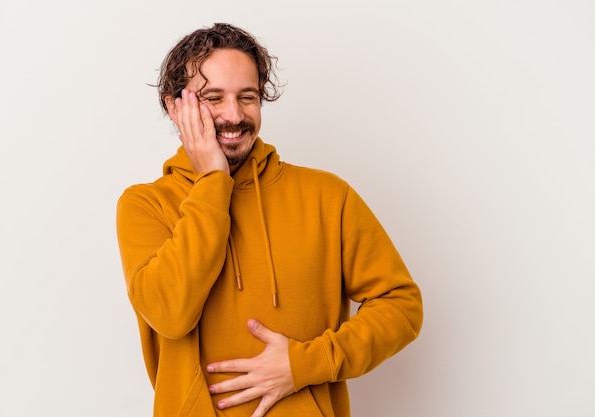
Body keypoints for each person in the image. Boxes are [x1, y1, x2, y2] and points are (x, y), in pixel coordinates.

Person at [116, 23, 423, 417]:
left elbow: (401, 306)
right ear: (176, 107)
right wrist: (213, 181)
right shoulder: (146, 205)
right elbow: (171, 314)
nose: (234, 115)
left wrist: (305, 364)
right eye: (213, 98)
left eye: (247, 97)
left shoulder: (327, 196)